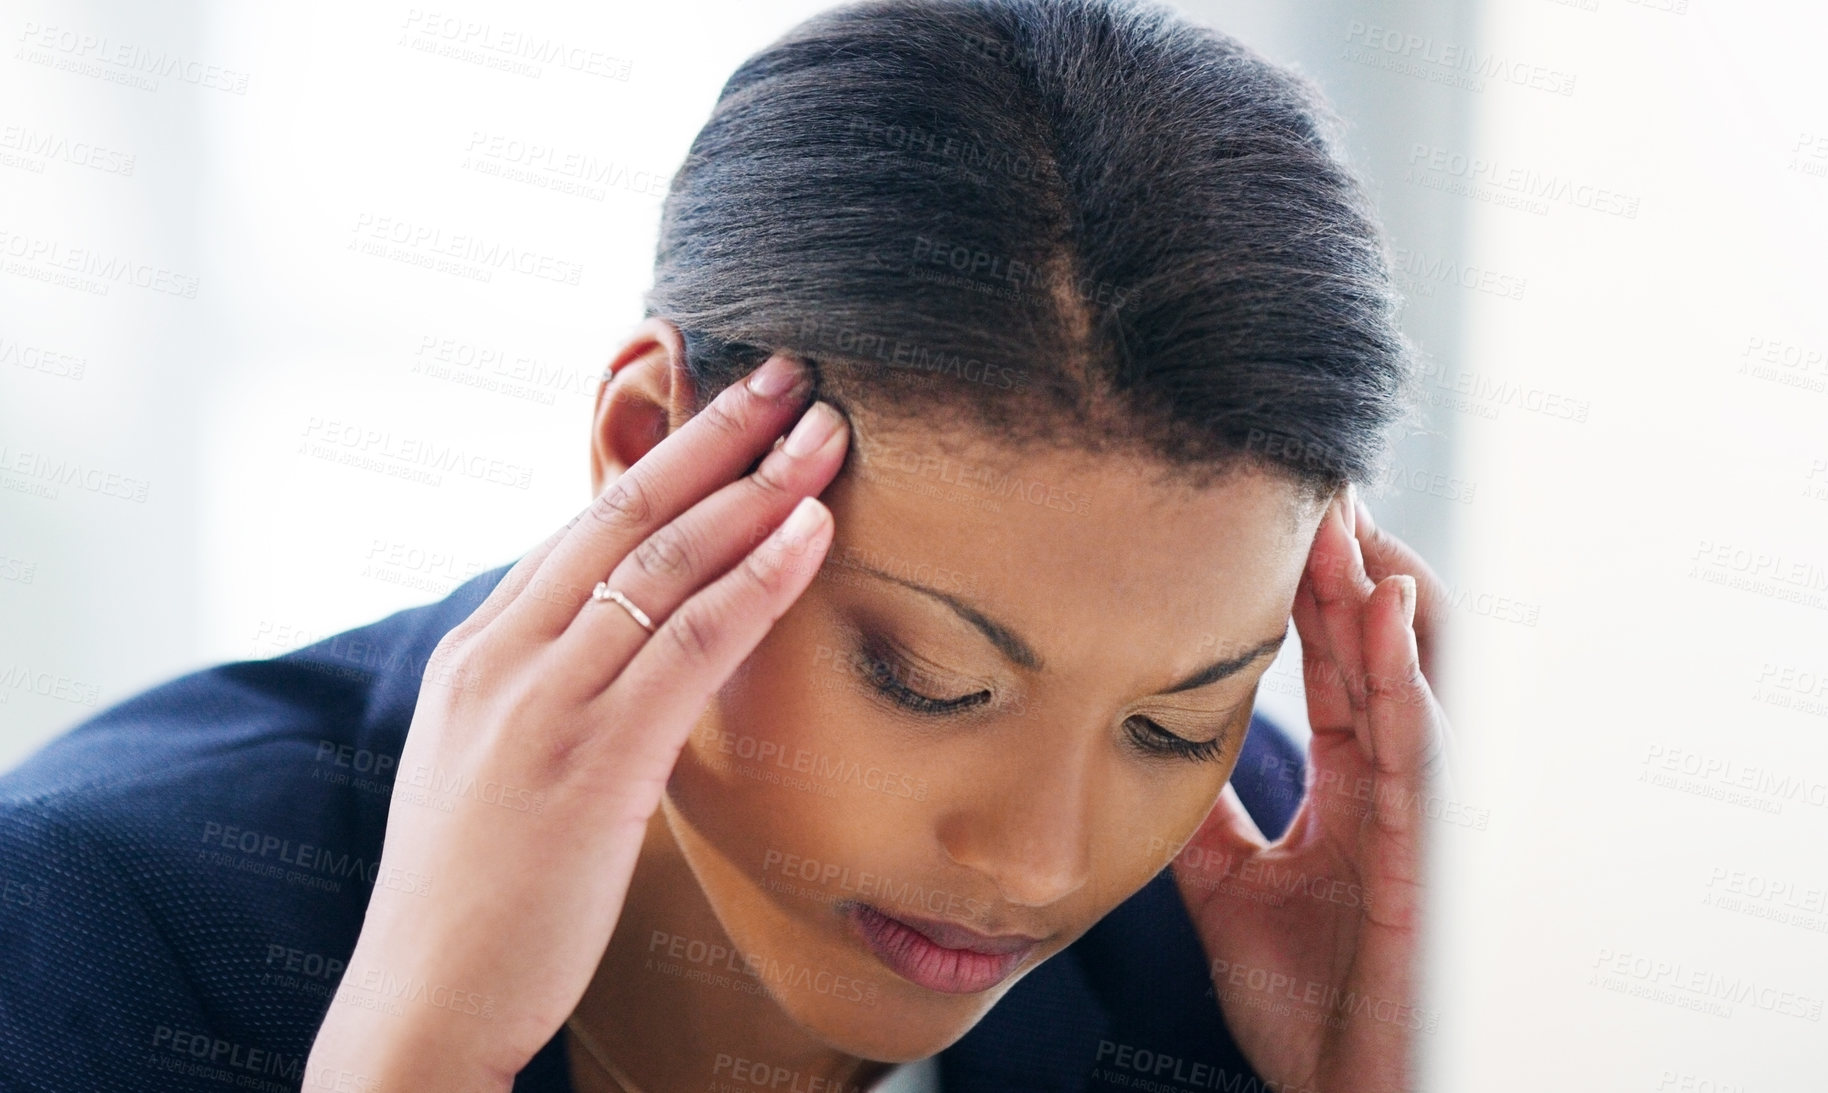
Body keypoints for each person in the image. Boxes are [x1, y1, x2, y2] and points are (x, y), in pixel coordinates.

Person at [0, 0, 1454, 1090]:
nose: (1038, 857)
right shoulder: (99, 931)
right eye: (928, 676)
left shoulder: (1247, 918)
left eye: (1171, 716)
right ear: (651, 452)